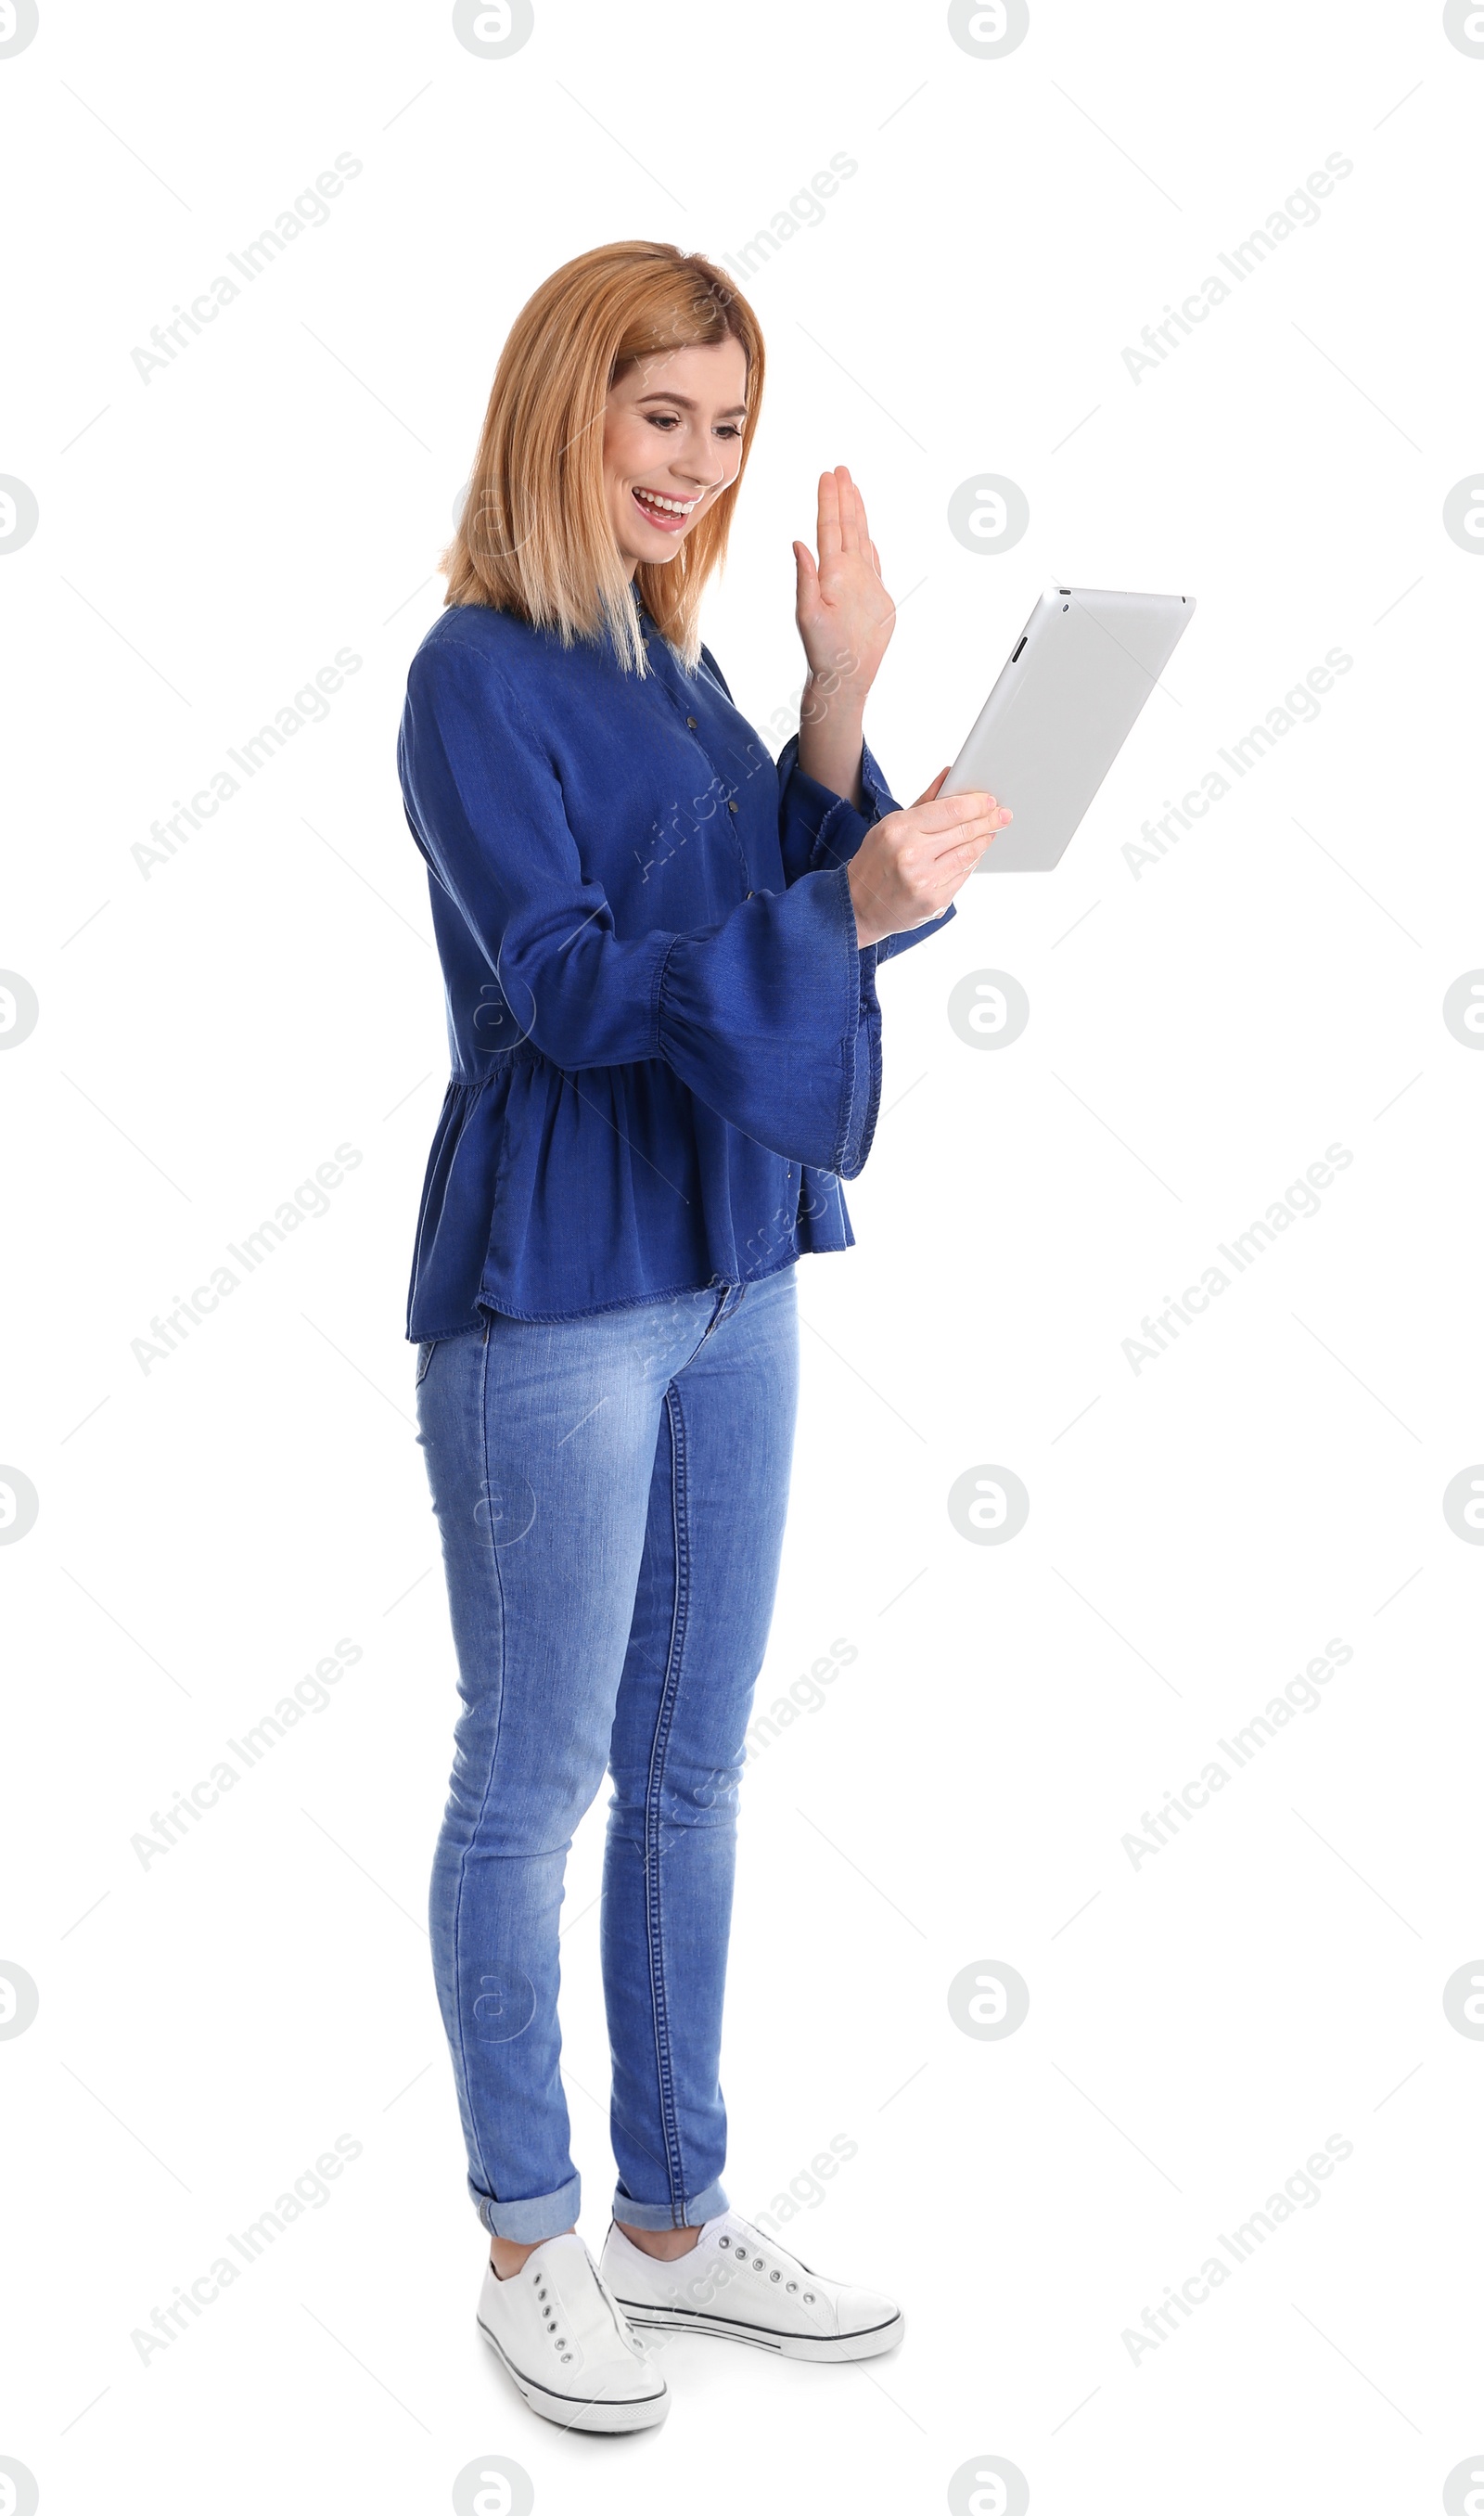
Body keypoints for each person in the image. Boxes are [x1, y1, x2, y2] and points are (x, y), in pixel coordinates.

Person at [400, 239, 1006, 2434]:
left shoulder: (670, 666)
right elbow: (569, 987)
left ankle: (672, 2220)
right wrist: (841, 896)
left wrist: (834, 696)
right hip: (555, 1290)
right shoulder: (474, 673)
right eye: (664, 415)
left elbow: (755, 882)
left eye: (729, 426)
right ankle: (526, 2239)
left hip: (730, 1263)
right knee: (534, 1775)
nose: (697, 465)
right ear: (567, 408)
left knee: (693, 1765)